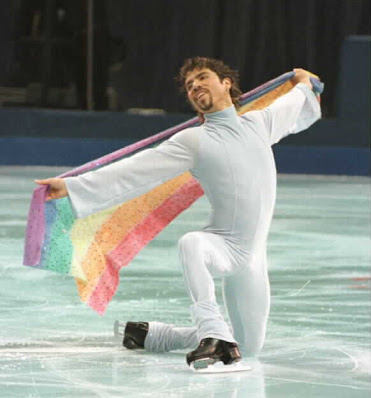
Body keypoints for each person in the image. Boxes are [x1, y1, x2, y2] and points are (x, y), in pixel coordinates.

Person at [35, 57, 321, 369]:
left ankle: (157, 335)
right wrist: (72, 187)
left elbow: (298, 101)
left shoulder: (260, 123)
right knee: (192, 243)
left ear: (226, 83)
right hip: (222, 245)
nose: (195, 86)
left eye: (202, 77)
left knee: (249, 347)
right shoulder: (193, 140)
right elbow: (134, 170)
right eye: (189, 85)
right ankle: (212, 332)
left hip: (254, 261)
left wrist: (305, 82)